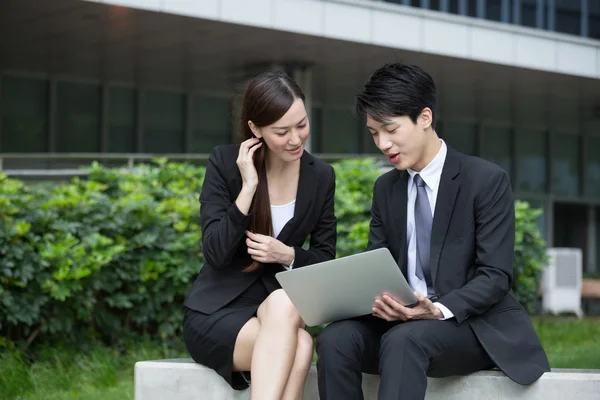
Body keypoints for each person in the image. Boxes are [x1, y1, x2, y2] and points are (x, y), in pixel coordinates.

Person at [315, 63, 550, 400]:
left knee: (404, 340)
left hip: (469, 325)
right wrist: (380, 300)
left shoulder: (485, 181)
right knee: (334, 340)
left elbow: (495, 276)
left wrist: (437, 310)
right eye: (373, 133)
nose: (382, 143)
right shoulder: (386, 188)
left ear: (424, 118)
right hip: (403, 323)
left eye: (390, 129)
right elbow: (378, 265)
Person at [183, 70, 337, 400]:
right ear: (255, 129)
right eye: (282, 131)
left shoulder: (321, 176)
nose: (296, 139)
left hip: (277, 312)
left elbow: (325, 259)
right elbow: (215, 253)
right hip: (216, 314)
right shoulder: (224, 163)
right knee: (301, 343)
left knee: (293, 320)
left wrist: (289, 255)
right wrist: (248, 187)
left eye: (302, 124)